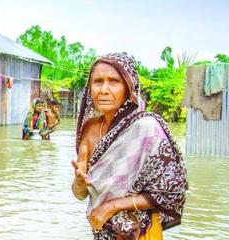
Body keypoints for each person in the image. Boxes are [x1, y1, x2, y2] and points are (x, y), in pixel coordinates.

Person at [71, 53, 188, 239]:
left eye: (114, 81)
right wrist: (79, 183)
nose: (104, 89)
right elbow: (80, 194)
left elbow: (171, 192)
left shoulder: (147, 127)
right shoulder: (89, 130)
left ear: (128, 86)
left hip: (141, 232)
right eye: (98, 81)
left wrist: (113, 206)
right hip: (102, 230)